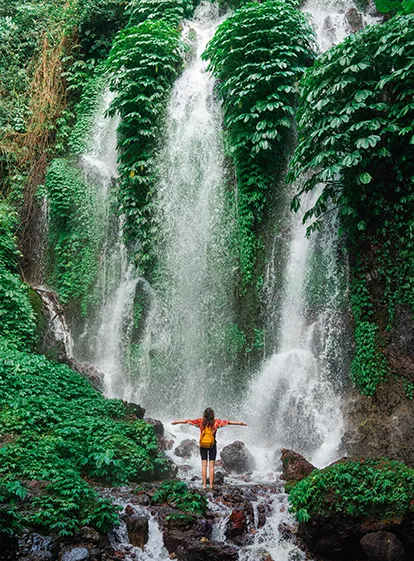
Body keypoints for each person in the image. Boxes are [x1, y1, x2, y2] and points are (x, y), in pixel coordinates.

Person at [172, 408, 247, 490]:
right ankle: (211, 486)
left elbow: (188, 421)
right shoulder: (216, 422)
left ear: (204, 414)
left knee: (204, 465)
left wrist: (177, 422)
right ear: (212, 415)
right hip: (212, 445)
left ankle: (204, 485)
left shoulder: (200, 421)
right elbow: (228, 422)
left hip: (203, 446)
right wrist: (240, 423)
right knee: (211, 466)